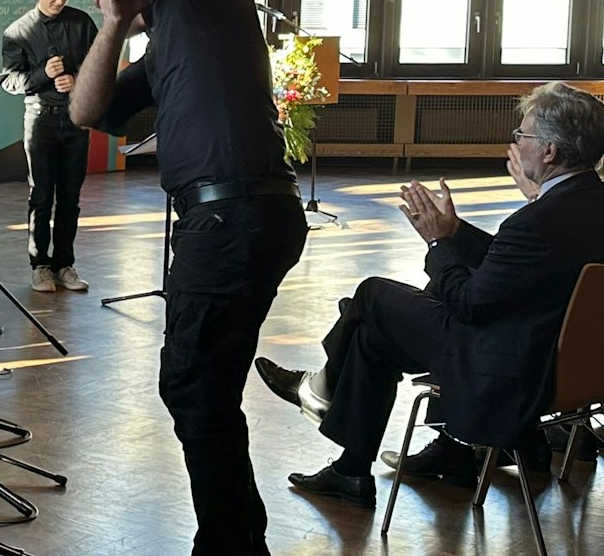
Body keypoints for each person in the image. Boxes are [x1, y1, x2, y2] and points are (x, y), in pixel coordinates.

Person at [67, 0, 307, 556]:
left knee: (194, 392)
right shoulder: (157, 33)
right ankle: (237, 552)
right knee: (208, 392)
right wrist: (113, 23)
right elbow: (87, 110)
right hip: (234, 221)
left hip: (231, 220)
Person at [256, 84, 604, 501]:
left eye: (522, 135)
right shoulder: (587, 204)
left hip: (506, 369)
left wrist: (438, 245)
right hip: (573, 367)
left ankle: (325, 388)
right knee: (372, 338)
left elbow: (469, 304)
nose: (515, 142)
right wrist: (456, 233)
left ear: (548, 151)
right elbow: (515, 267)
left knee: (372, 296)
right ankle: (351, 471)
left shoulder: (538, 221)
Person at [2, 0, 100, 294]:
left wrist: (78, 79)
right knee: (41, 195)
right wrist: (44, 73)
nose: (60, 1)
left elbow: (99, 66)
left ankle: (65, 265)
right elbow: (11, 82)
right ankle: (40, 265)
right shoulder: (17, 31)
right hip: (40, 120)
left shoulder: (83, 23)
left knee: (71, 197)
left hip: (76, 119)